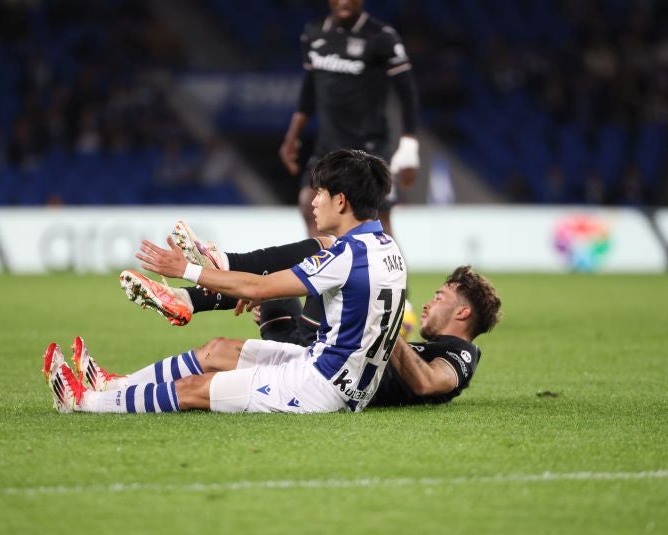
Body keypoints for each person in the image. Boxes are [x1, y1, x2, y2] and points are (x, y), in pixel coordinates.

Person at [43, 149, 407, 414]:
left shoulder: (346, 256)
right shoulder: (385, 247)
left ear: (341, 202)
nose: (313, 203)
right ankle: (113, 384)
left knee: (195, 390)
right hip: (344, 375)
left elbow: (260, 289)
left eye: (320, 194)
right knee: (219, 349)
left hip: (321, 385)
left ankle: (83, 401)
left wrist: (184, 270)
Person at [114, 225, 501, 408]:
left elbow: (430, 384)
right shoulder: (430, 344)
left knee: (326, 251)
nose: (430, 303)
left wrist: (382, 327)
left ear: (463, 312)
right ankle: (187, 298)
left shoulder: (460, 353)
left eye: (440, 296)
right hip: (317, 349)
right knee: (315, 262)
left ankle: (195, 291)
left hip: (319, 365)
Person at [279, 0, 421, 239]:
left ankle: (389, 276)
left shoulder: (381, 37)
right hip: (328, 145)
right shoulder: (313, 33)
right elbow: (309, 90)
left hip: (369, 146)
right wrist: (292, 137)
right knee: (309, 204)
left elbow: (407, 92)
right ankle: (325, 274)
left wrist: (409, 145)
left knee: (376, 219)